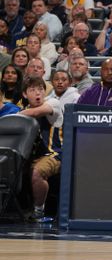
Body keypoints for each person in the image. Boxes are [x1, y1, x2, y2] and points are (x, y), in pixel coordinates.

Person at [21, 77, 64, 222]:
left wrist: (10, 116)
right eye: (32, 90)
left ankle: (39, 211)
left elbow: (35, 113)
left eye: (40, 89)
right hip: (31, 155)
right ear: (25, 95)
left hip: (55, 154)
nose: (37, 93)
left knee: (37, 172)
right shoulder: (23, 111)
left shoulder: (53, 103)